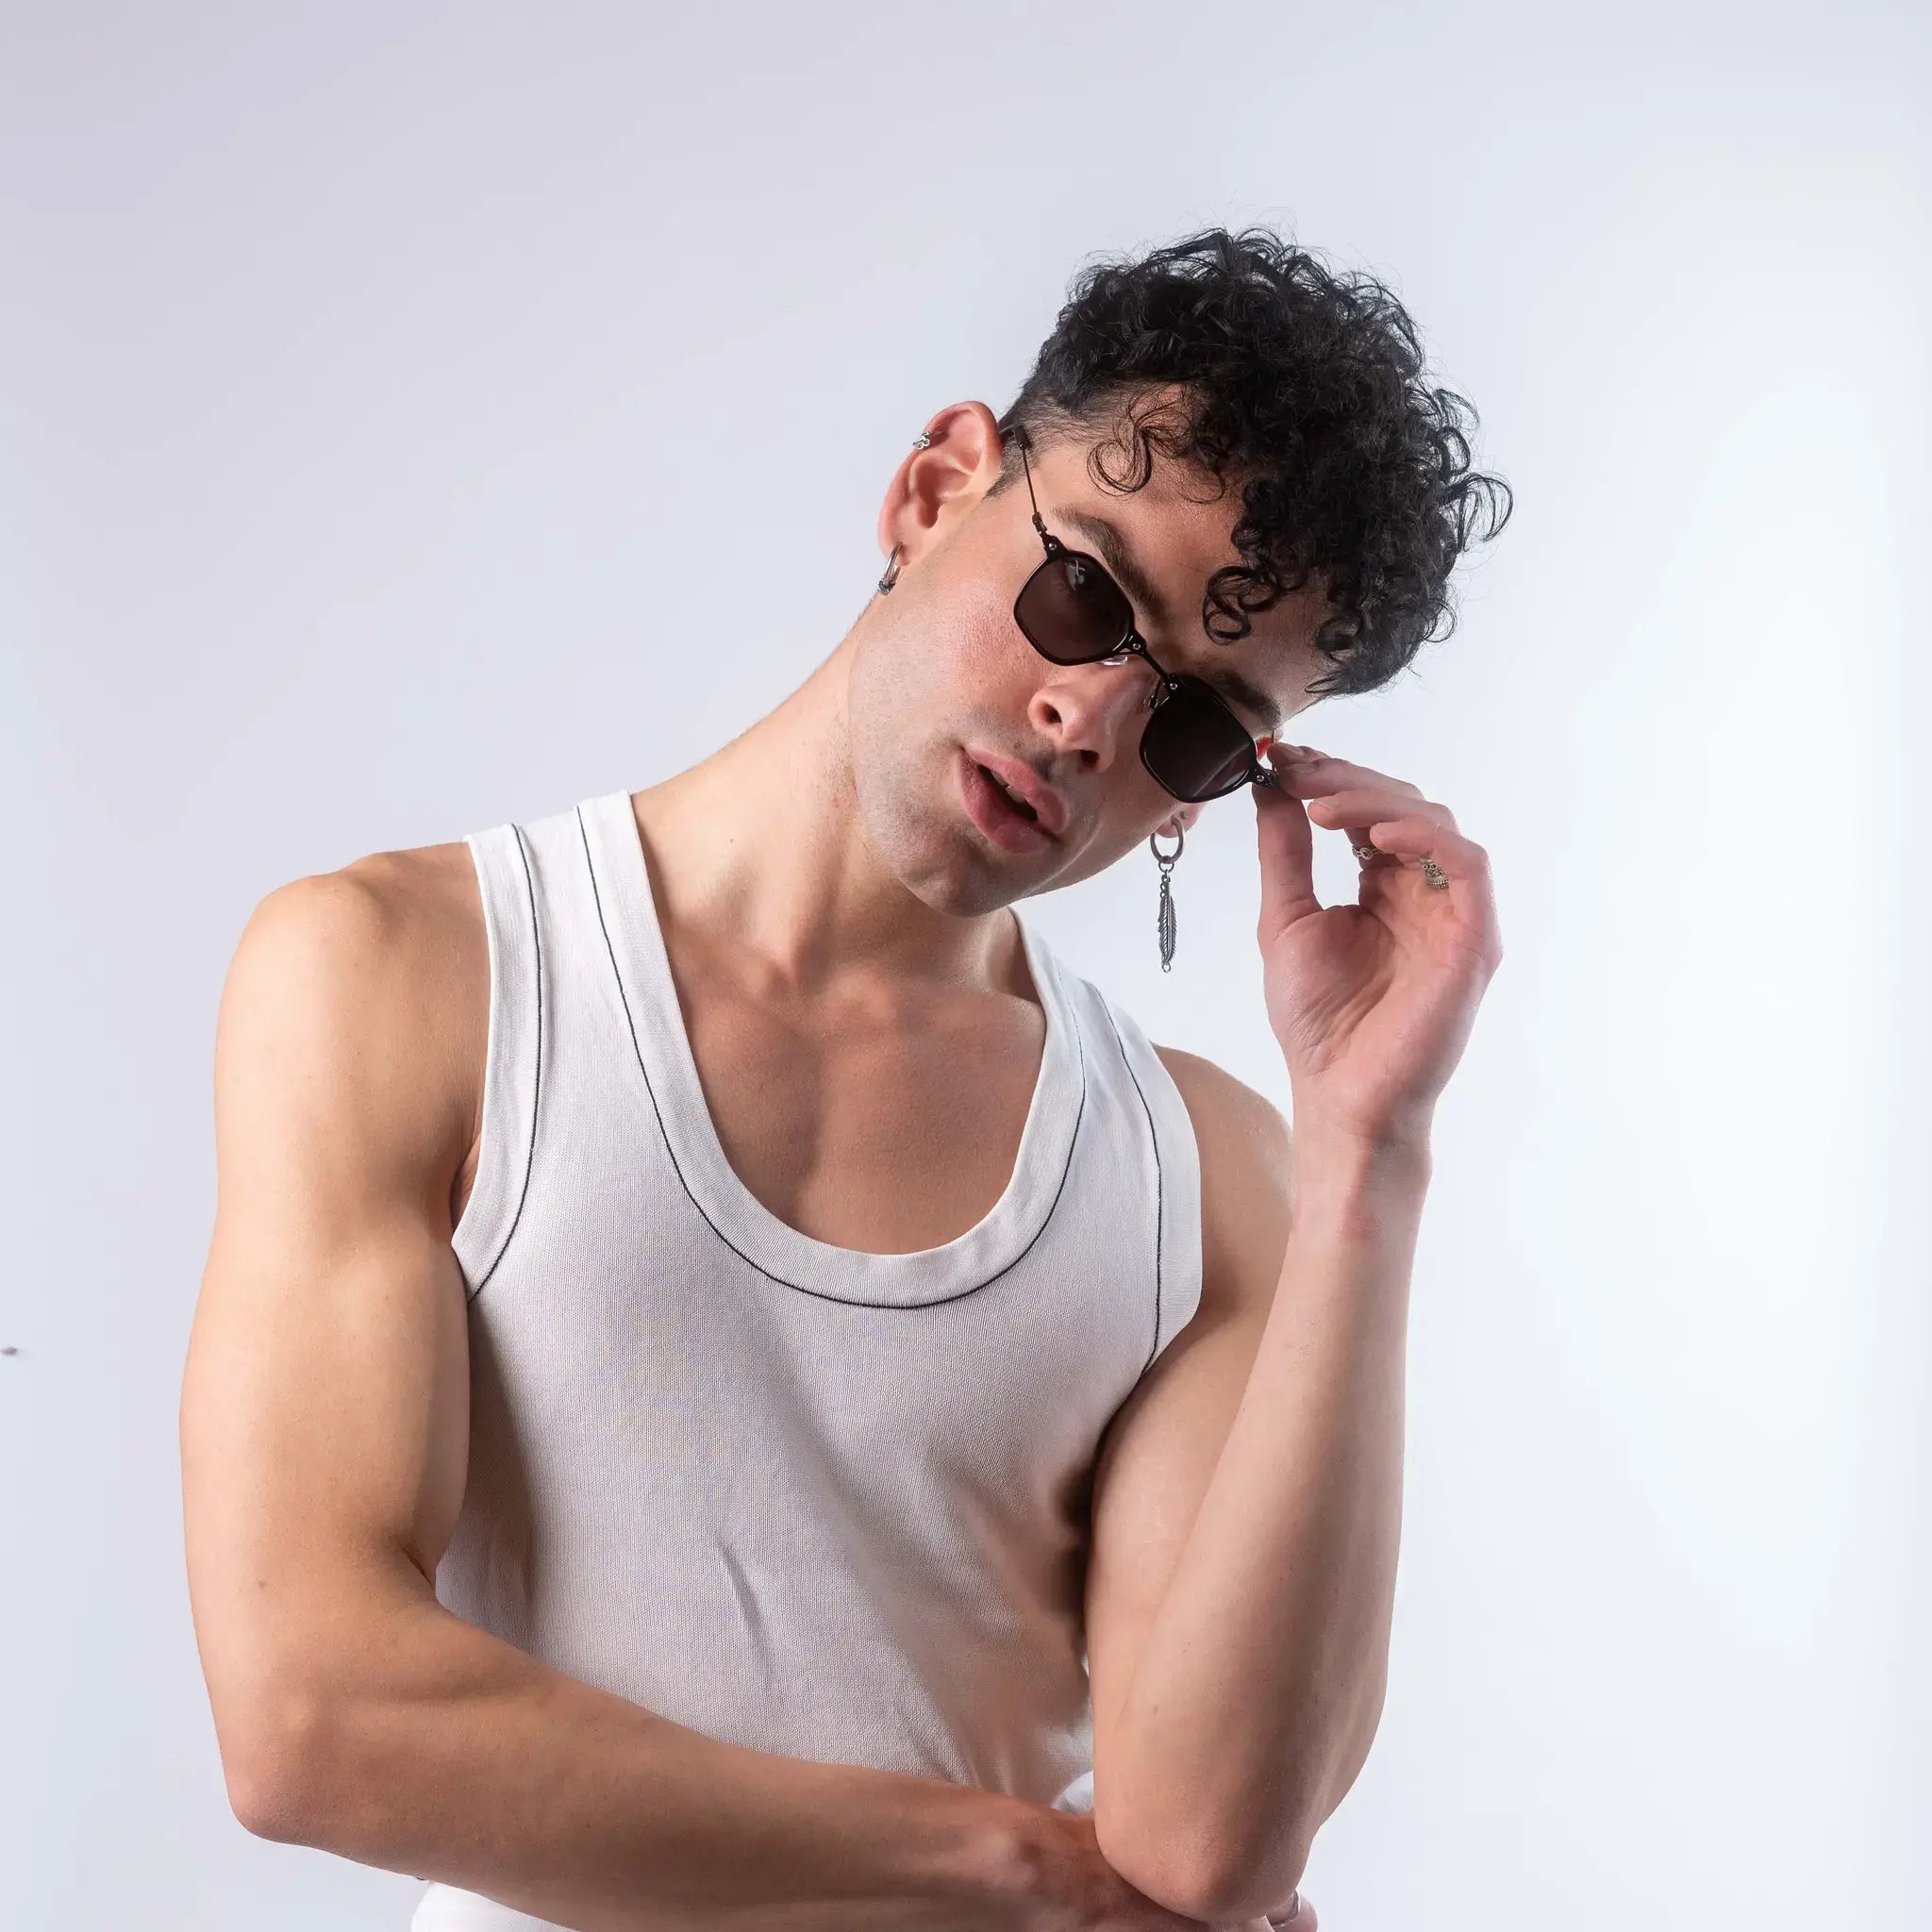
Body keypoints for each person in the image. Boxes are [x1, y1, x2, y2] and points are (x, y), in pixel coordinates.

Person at [179, 225, 1509, 1932]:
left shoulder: (1205, 1173)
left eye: (1193, 720)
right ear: (937, 488)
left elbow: (1203, 1851)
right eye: (1083, 592)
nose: (1090, 717)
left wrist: (1369, 1153)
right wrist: (1011, 1868)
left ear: (1206, 795)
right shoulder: (417, 975)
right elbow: (308, 1718)